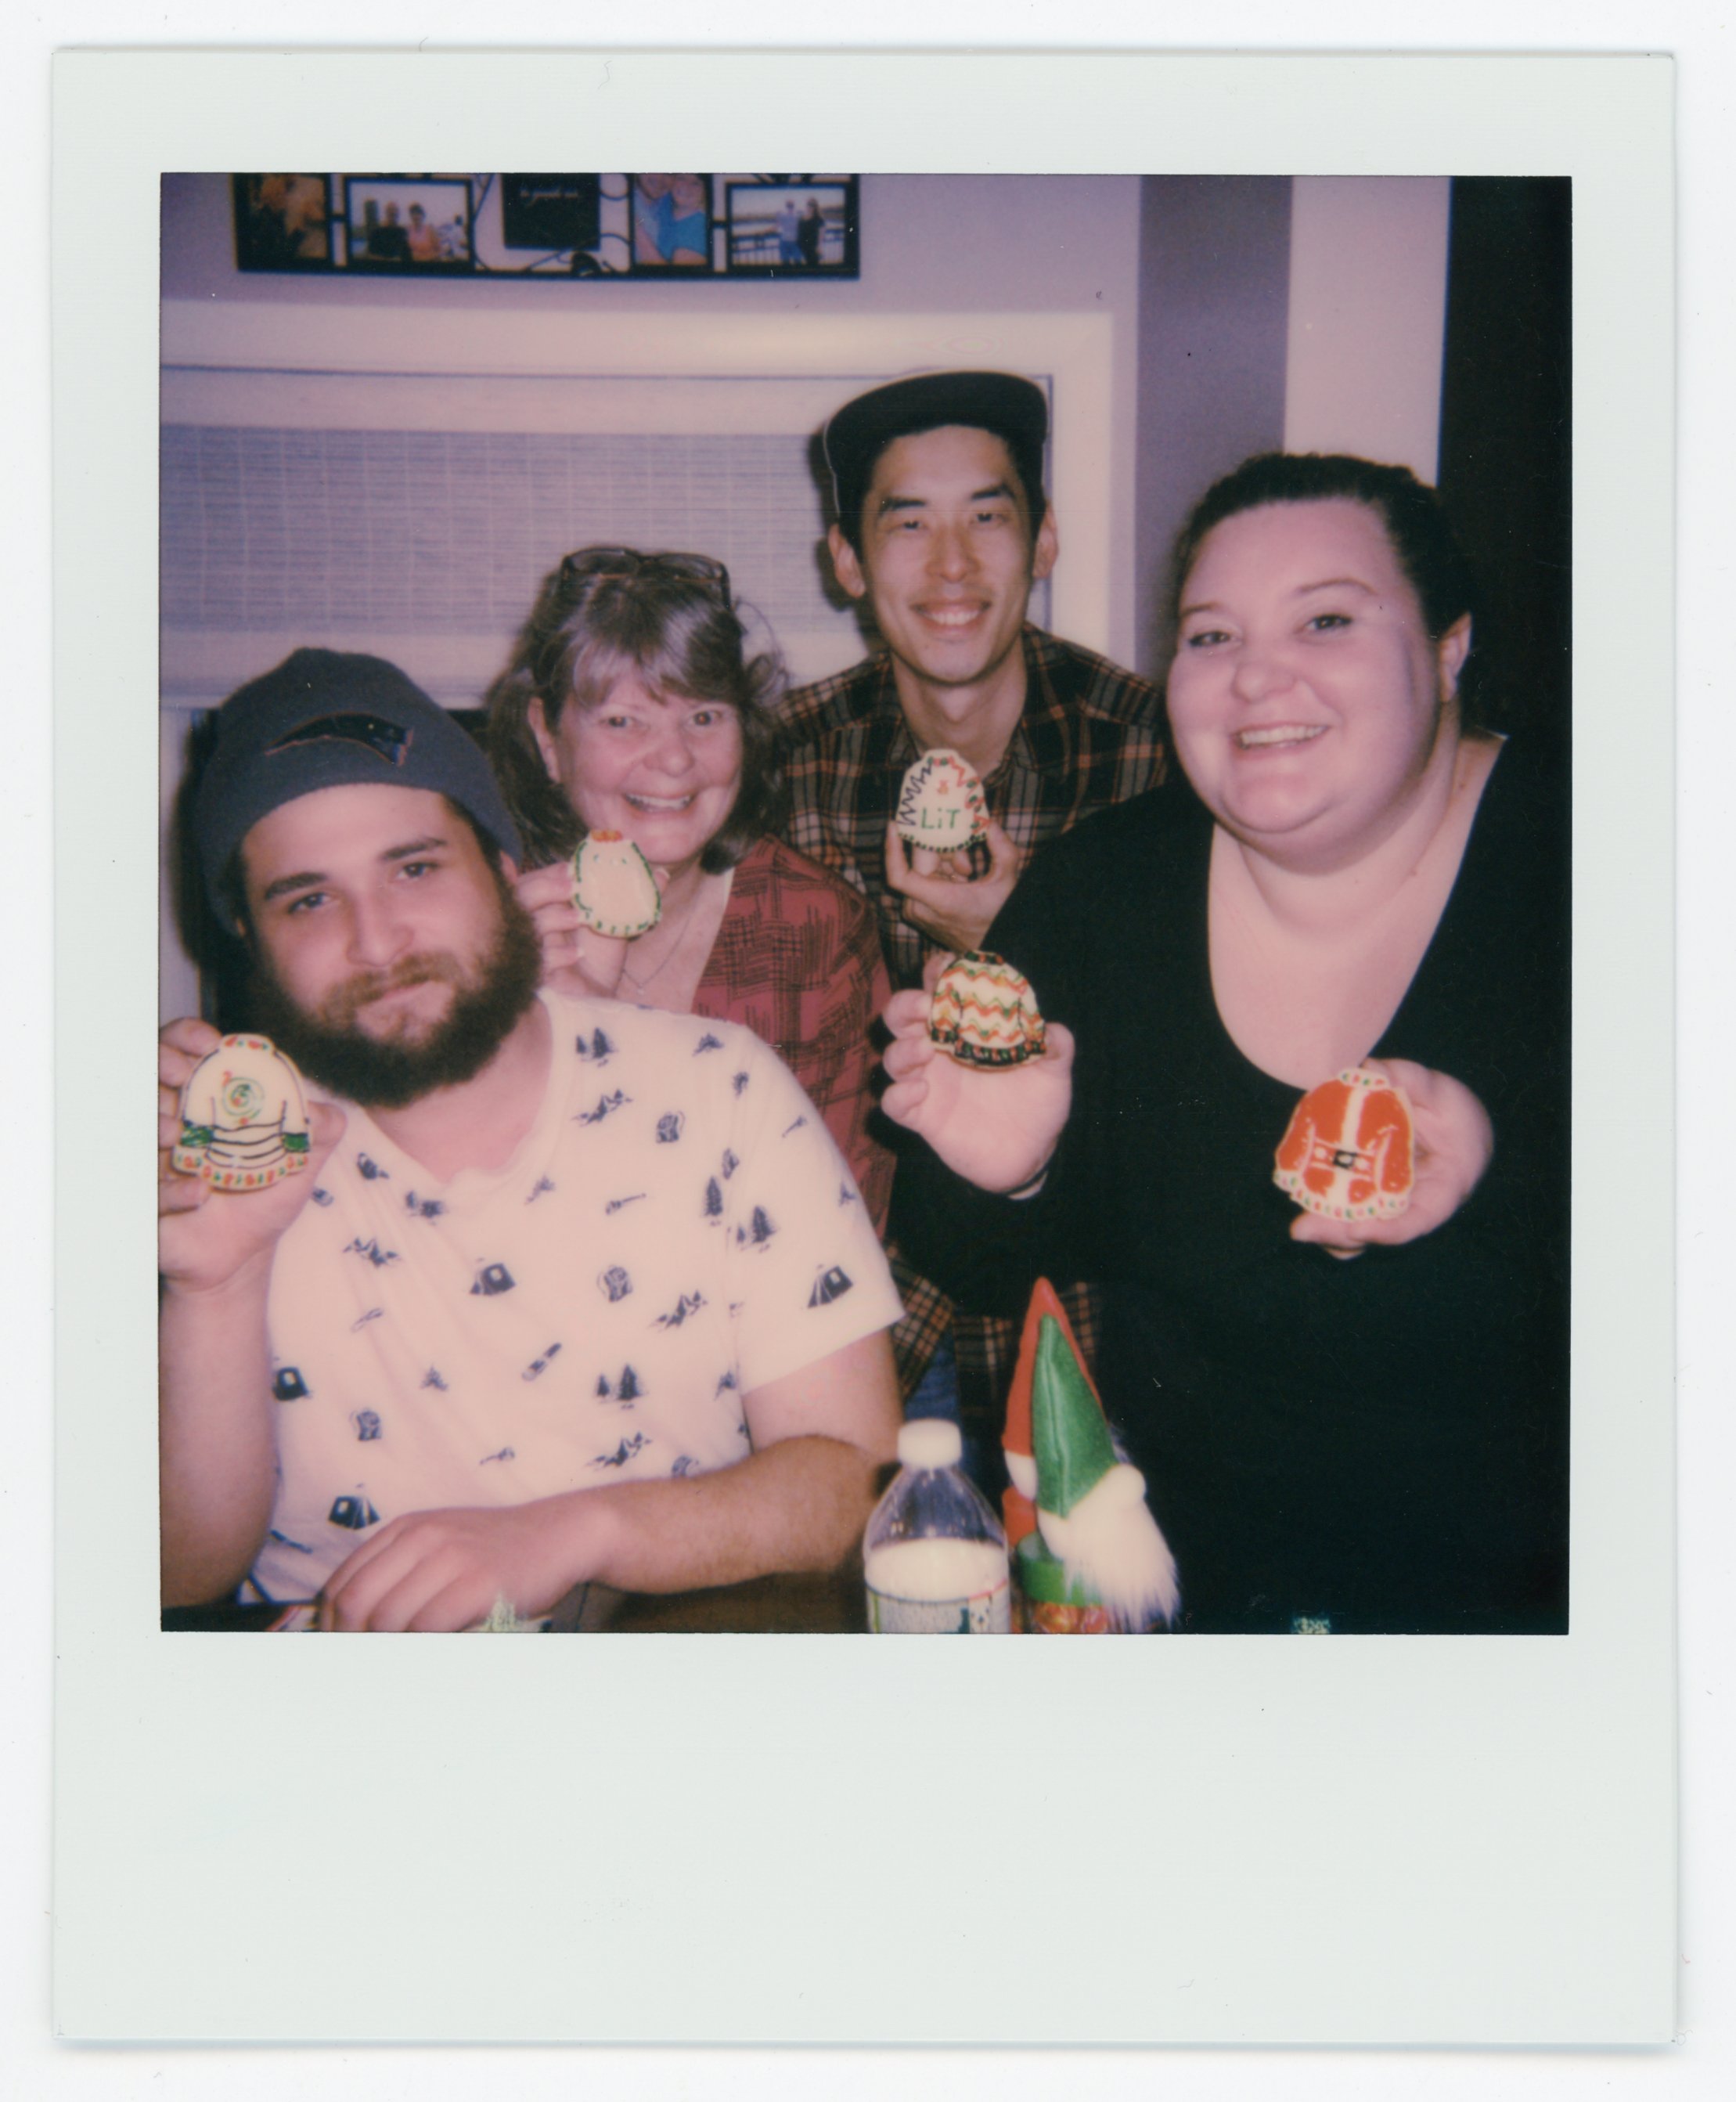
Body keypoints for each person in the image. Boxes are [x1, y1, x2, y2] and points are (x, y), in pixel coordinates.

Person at [884, 452, 1569, 1635]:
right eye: (1209, 637)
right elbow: (975, 1260)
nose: (1257, 677)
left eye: (1326, 619)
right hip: (1184, 1602)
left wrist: (1509, 1167)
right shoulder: (1105, 885)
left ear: (1449, 646)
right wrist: (1013, 1175)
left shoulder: (1613, 864)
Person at [158, 647, 902, 1631]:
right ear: (247, 939)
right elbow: (178, 1580)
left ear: (503, 870)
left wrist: (574, 1534)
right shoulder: (210, 1159)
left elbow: (858, 1484)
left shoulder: (720, 1089)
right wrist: (214, 1283)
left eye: (414, 868)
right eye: (307, 899)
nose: (377, 941)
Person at [779, 369, 1168, 1430]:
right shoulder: (782, 762)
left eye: (987, 518)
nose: (951, 565)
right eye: (908, 525)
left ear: (1043, 542)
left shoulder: (1154, 753)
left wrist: (1012, 936)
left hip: (1088, 1333)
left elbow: (1178, 1082)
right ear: (848, 563)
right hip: (853, 1329)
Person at [486, 547, 894, 1229]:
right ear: (548, 738)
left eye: (705, 716)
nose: (674, 758)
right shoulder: (486, 931)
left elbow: (838, 1230)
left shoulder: (814, 927)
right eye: (623, 720)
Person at [797, 196, 823, 268]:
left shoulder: (819, 219)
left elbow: (821, 235)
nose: (810, 207)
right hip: (800, 247)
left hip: (812, 248)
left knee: (813, 266)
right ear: (806, 206)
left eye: (812, 205)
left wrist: (819, 247)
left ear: (815, 207)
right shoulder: (801, 219)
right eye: (809, 204)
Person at [776, 197, 802, 265]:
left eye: (791, 206)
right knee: (787, 263)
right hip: (786, 242)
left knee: (797, 262)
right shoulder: (783, 216)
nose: (790, 207)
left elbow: (776, 226)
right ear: (787, 207)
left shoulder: (798, 216)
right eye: (789, 206)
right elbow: (776, 226)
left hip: (794, 242)